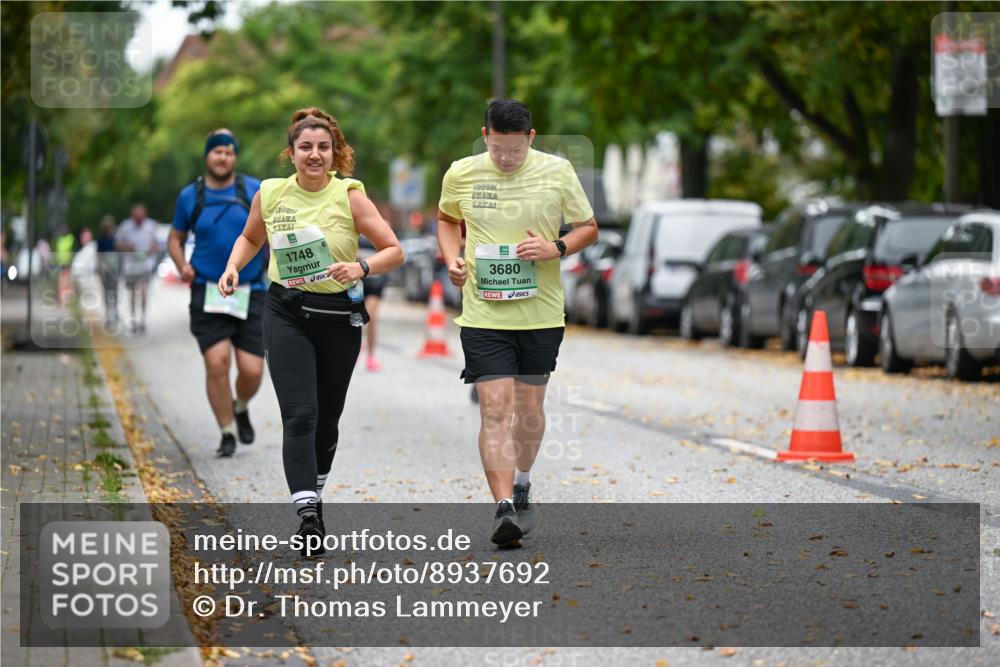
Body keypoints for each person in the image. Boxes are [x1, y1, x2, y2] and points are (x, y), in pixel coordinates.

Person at [220, 107, 403, 555]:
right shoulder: (270, 194)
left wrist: (359, 267)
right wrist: (232, 266)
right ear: (292, 153)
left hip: (339, 317)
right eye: (306, 147)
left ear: (335, 153)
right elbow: (251, 238)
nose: (314, 155)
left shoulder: (351, 196)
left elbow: (394, 251)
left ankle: (314, 492)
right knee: (299, 414)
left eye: (323, 148)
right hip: (286, 312)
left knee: (327, 421)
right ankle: (307, 515)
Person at [437, 98, 598, 547]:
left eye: (515, 150)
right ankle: (504, 507)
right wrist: (452, 258)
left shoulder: (558, 172)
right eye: (498, 149)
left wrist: (556, 248)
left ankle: (523, 480)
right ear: (485, 135)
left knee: (528, 412)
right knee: (494, 408)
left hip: (541, 312)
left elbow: (588, 227)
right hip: (483, 312)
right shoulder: (461, 173)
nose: (506, 159)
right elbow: (448, 220)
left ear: (530, 139)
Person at [168, 129, 264, 458]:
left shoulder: (254, 190)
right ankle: (226, 431)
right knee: (217, 362)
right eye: (217, 152)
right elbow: (174, 239)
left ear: (235, 157)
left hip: (252, 289)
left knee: (252, 370)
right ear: (207, 155)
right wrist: (182, 265)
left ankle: (240, 406)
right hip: (207, 290)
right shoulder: (190, 196)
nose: (223, 157)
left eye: (229, 152)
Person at [115, 203, 159, 333]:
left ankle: (143, 319)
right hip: (131, 266)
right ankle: (133, 319)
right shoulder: (126, 226)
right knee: (133, 293)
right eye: (136, 217)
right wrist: (127, 248)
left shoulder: (150, 226)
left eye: (140, 217)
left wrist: (152, 249)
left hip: (145, 264)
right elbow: (117, 243)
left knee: (144, 292)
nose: (138, 220)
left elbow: (157, 244)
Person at [358, 235, 388, 371]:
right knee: (355, 318)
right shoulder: (352, 220)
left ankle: (370, 356)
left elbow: (390, 250)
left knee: (371, 317)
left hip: (375, 281)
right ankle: (357, 346)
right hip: (357, 280)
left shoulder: (382, 225)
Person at [95, 216, 119, 325]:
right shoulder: (101, 240)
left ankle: (115, 311)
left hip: (114, 268)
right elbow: (99, 255)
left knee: (114, 292)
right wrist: (101, 266)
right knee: (106, 292)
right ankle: (108, 313)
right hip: (105, 269)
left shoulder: (115, 239)